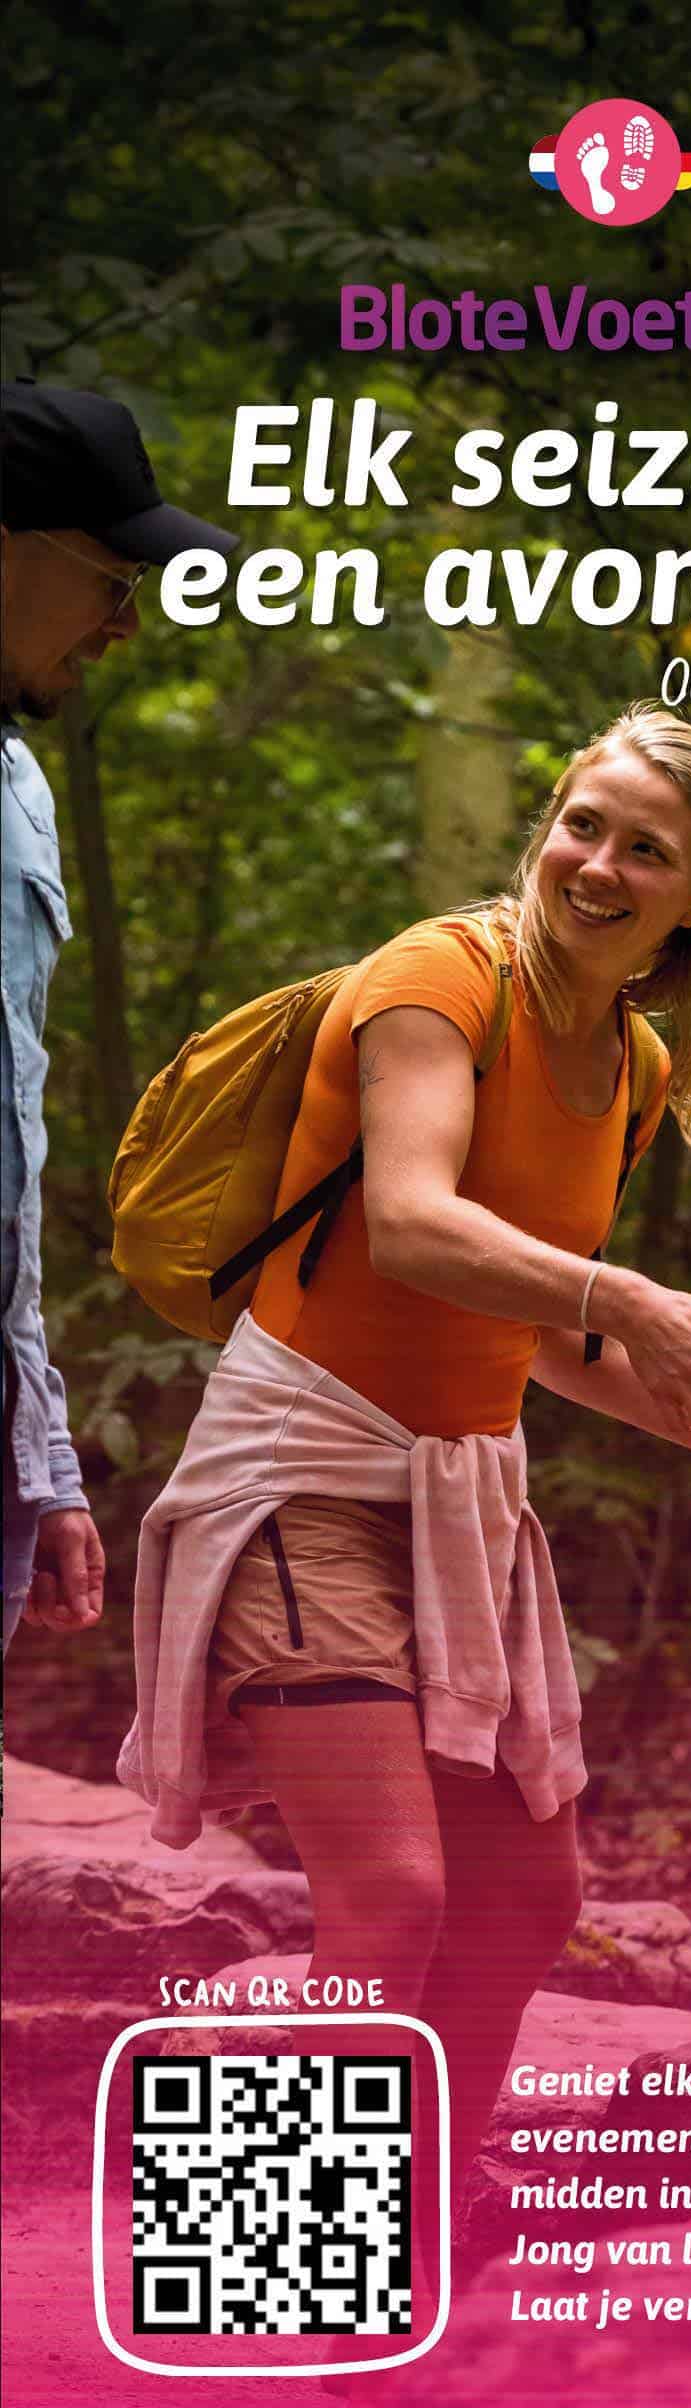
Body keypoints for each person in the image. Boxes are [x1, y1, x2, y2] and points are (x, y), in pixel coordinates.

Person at [118, 705, 691, 2309]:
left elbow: (548, 1330)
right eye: (583, 821)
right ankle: (279, 2279)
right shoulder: (437, 980)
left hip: (460, 1490)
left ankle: (423, 2221)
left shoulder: (633, 1064)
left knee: (525, 1895)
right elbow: (414, 1218)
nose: (598, 862)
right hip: (302, 1467)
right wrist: (628, 1294)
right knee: (392, 1894)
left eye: (645, 848)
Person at [0, 379, 236, 1652]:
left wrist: (39, 1461)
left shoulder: (19, 792)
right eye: (112, 577)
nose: (125, 623)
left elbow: (9, 1169)